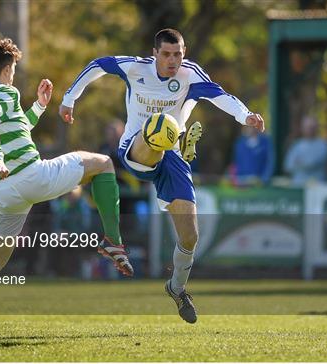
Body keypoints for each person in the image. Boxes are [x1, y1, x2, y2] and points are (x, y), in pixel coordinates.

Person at [0, 38, 133, 340]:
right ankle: (113, 242)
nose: (14, 74)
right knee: (103, 163)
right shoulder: (2, 94)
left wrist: (38, 106)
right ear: (8, 68)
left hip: (5, 192)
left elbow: (14, 126)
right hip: (31, 176)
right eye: (14, 68)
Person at [59, 28, 265, 323]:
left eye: (178, 54)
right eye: (166, 54)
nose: (172, 60)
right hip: (135, 149)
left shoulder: (190, 74)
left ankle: (177, 288)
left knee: (190, 237)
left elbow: (220, 95)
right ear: (154, 53)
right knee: (160, 127)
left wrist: (245, 115)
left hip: (173, 160)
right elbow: (97, 65)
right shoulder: (136, 68)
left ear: (184, 52)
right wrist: (69, 98)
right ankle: (178, 139)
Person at [284, 116, 327, 186]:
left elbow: (312, 163)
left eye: (312, 127)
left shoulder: (323, 145)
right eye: (307, 127)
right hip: (298, 187)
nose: (310, 130)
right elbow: (288, 165)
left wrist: (299, 162)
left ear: (316, 128)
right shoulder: (296, 145)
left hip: (316, 188)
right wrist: (303, 163)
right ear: (302, 128)